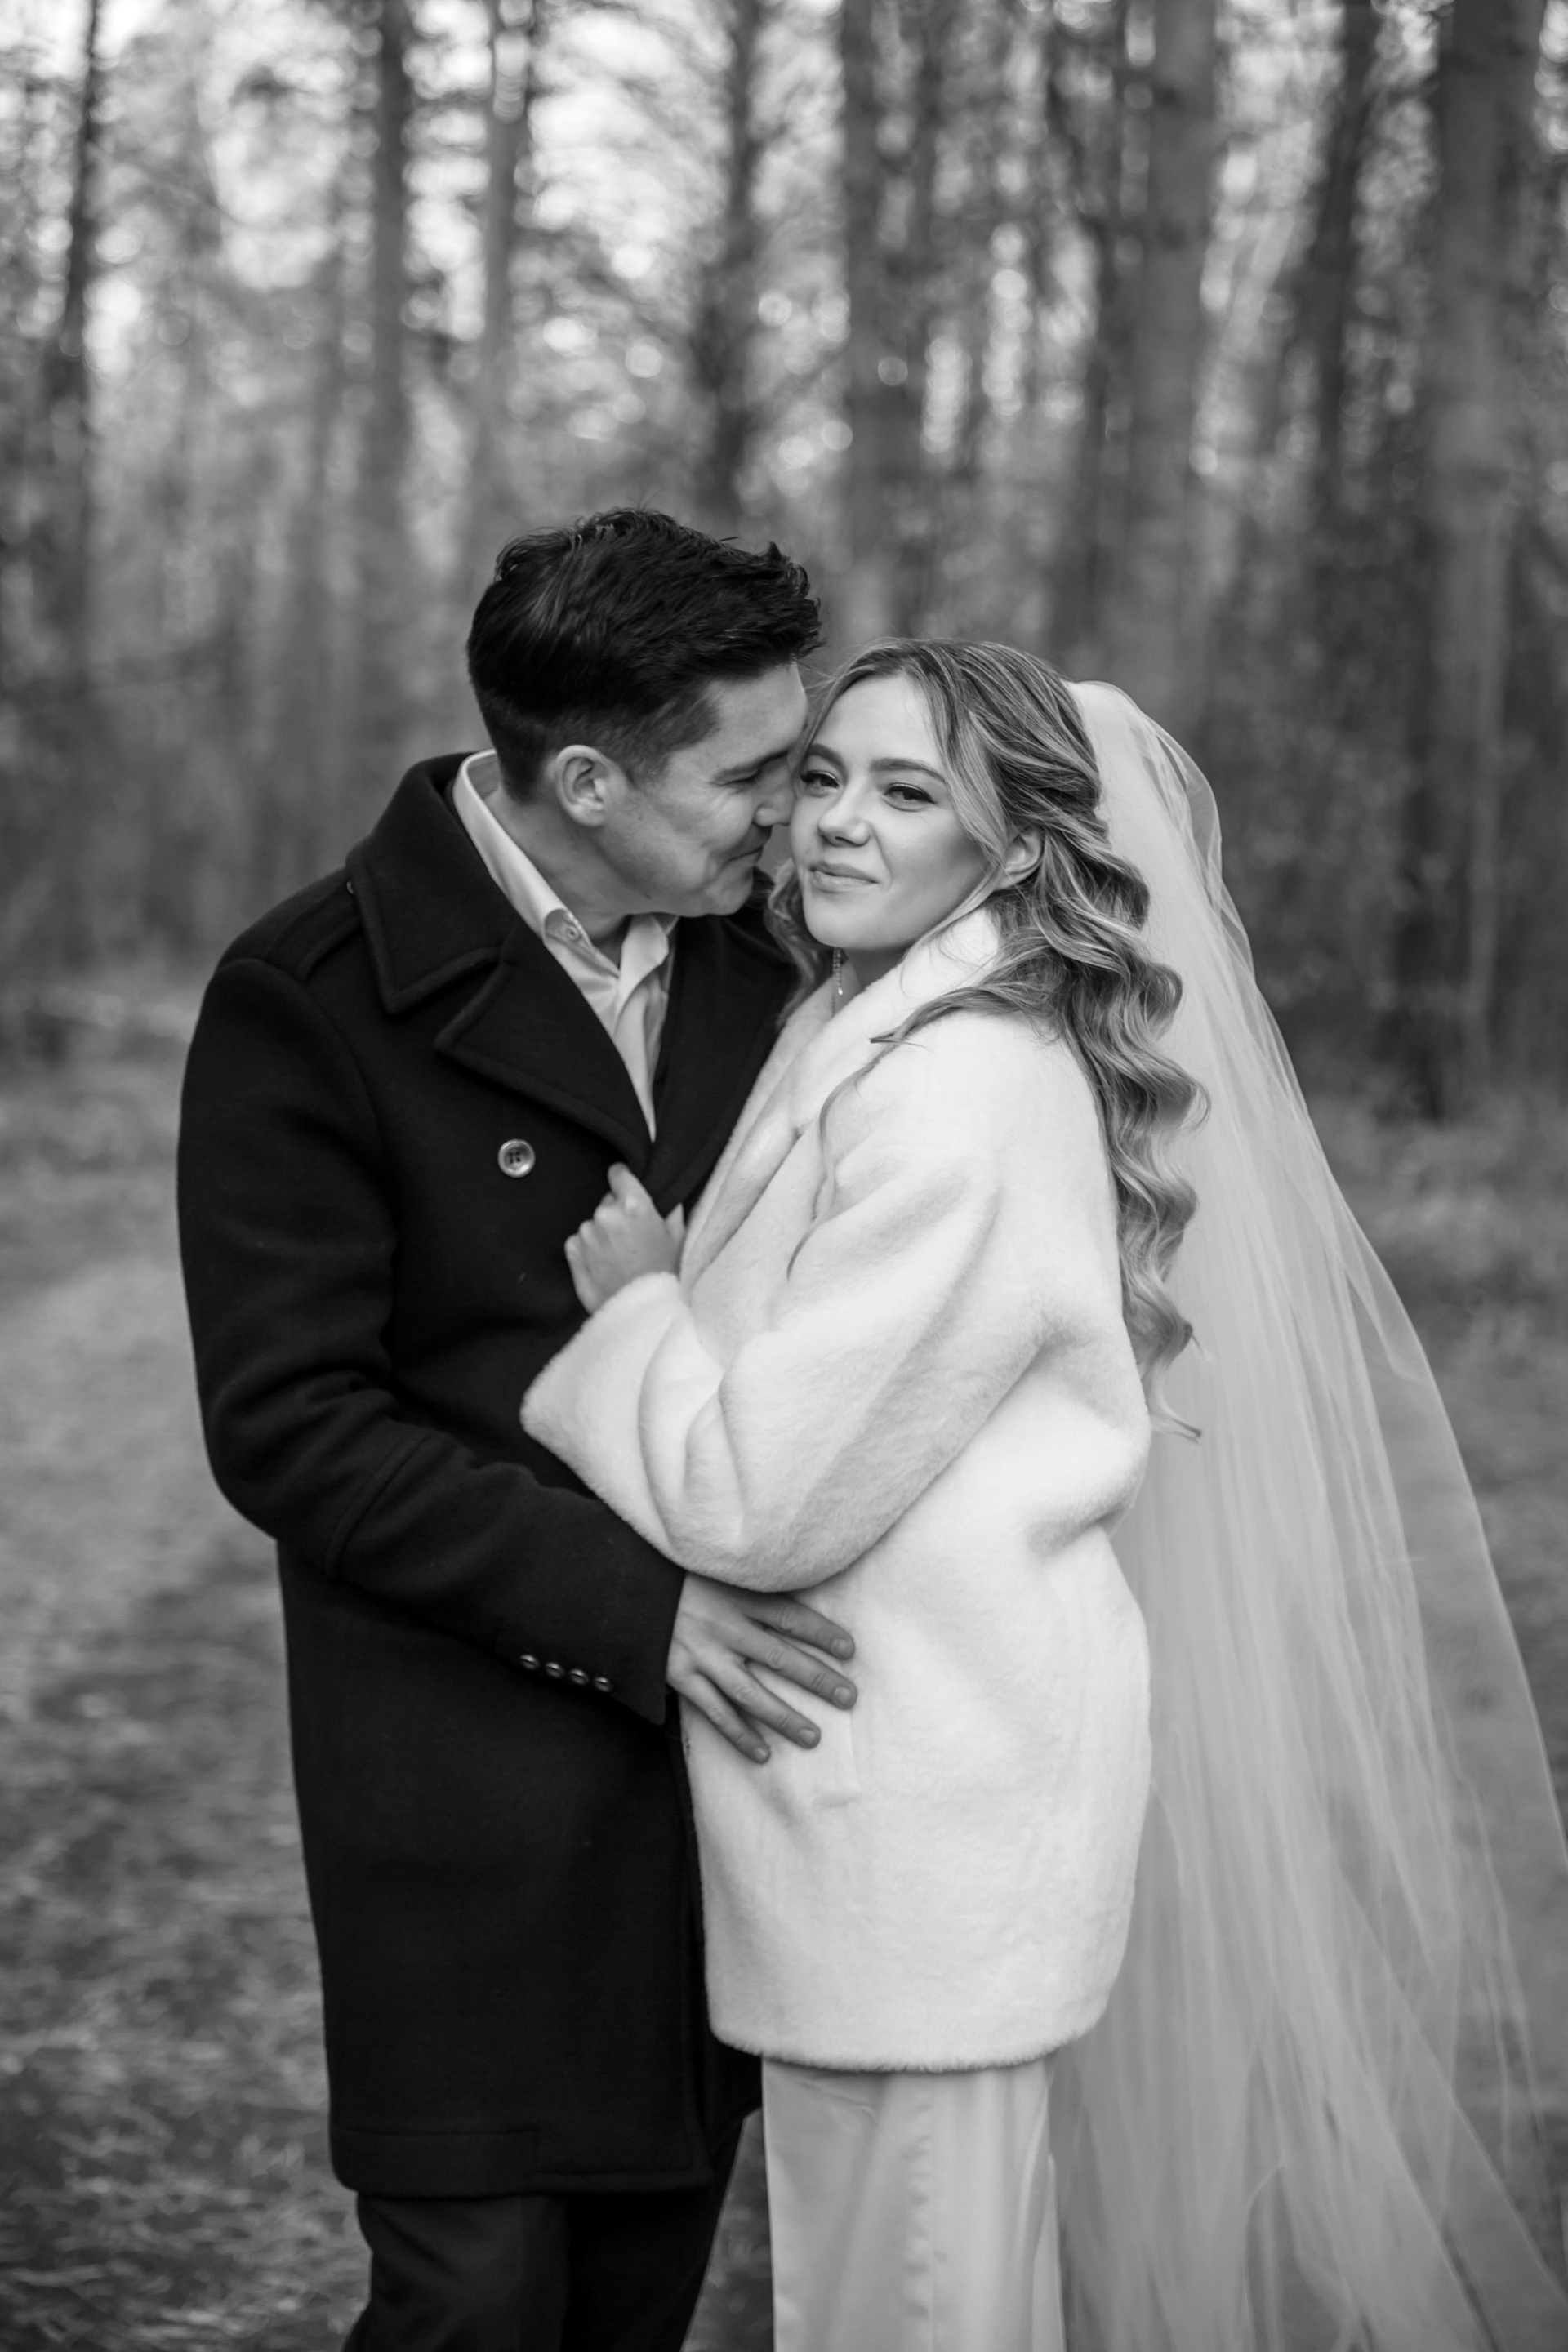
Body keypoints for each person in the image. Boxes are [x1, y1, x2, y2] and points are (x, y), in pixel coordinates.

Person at [525, 639, 1568, 2351]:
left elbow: (758, 1502)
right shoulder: (865, 1022)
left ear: (1012, 847)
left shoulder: (961, 1089)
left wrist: (637, 1317)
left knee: (916, 2300)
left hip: (922, 1798)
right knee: (905, 2287)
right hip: (901, 1782)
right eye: (826, 776)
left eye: (907, 792)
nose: (837, 823)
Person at [176, 509, 866, 2352]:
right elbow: (291, 1424)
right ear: (588, 781)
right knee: (477, 2300)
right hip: (463, 1768)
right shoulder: (312, 995)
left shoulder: (787, 974)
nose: (791, 815)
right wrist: (632, 1608)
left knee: (643, 2288)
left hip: (718, 1784)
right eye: (752, 776)